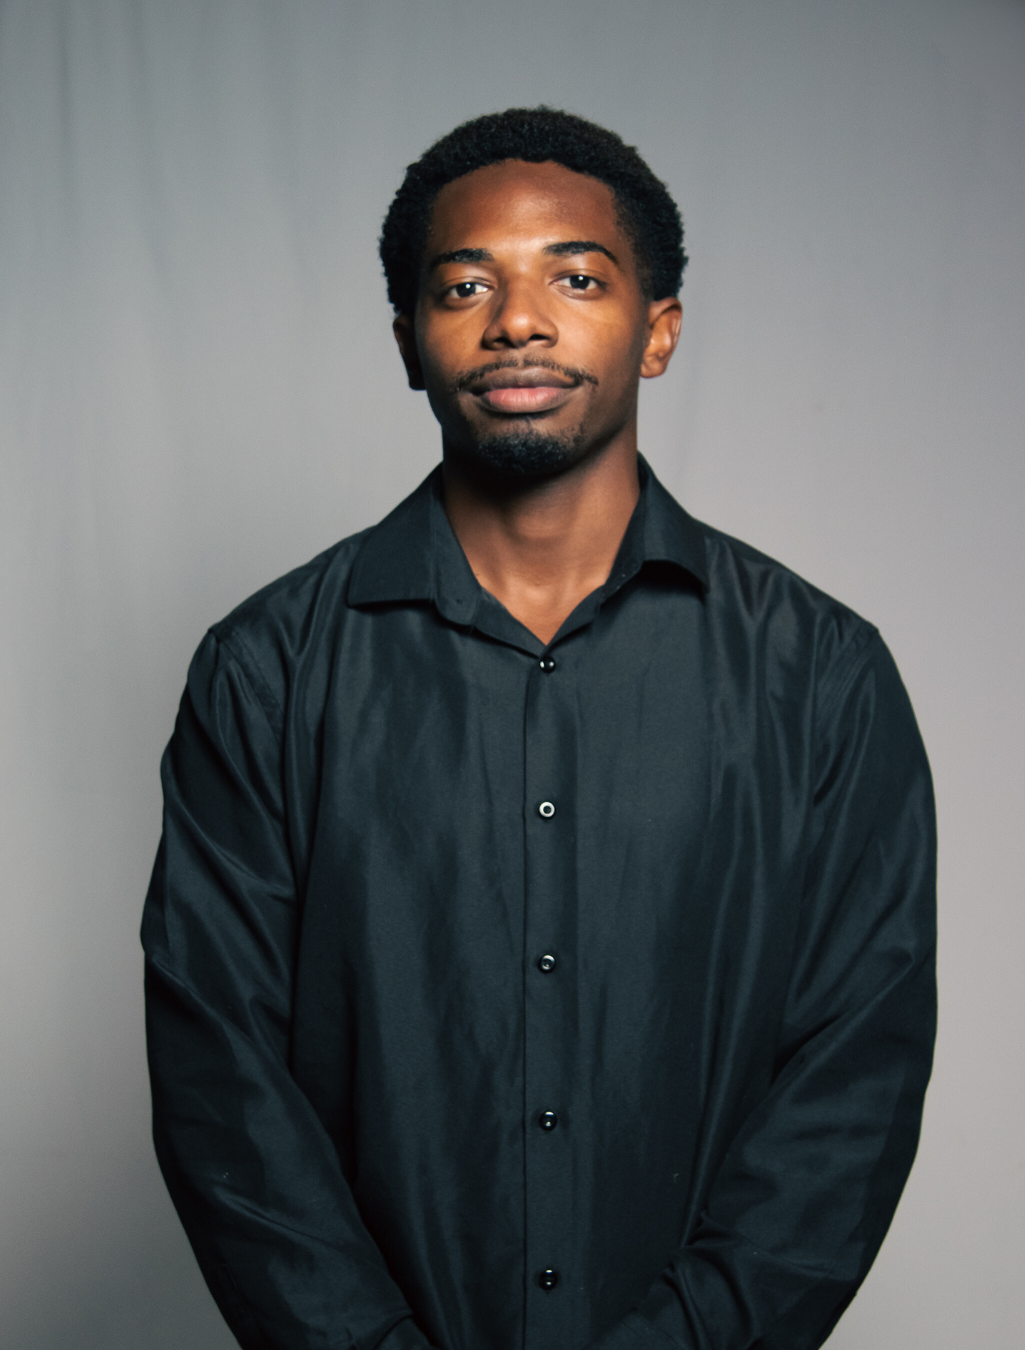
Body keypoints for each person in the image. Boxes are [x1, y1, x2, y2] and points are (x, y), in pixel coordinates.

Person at [142, 107, 936, 1350]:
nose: (518, 317)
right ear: (409, 340)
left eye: (575, 276)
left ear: (658, 331)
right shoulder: (268, 671)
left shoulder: (821, 676)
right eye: (466, 284)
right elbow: (220, 1082)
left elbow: (855, 1078)